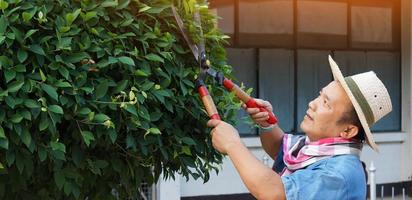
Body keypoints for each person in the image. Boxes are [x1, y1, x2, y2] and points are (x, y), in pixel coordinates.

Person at [207, 55, 392, 200]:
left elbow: (274, 192)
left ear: (348, 131)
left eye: (326, 103)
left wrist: (232, 144)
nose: (312, 103)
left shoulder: (340, 174)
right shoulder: (317, 150)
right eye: (320, 95)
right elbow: (279, 149)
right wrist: (267, 124)